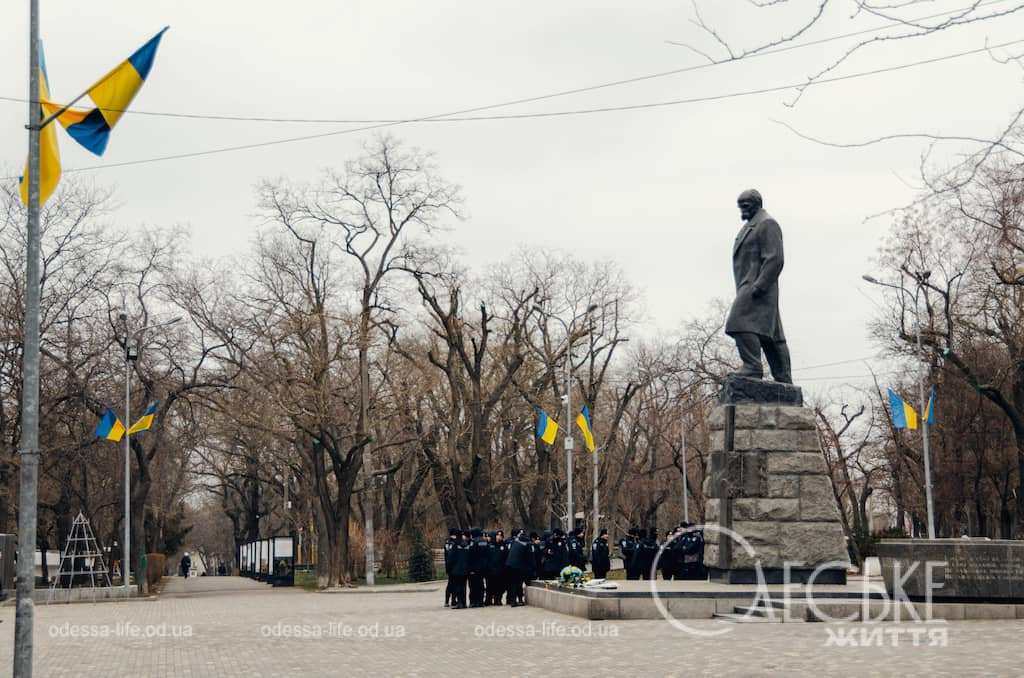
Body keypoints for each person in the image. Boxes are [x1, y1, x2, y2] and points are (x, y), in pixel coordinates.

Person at [725, 188, 792, 383]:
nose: (742, 210)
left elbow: (775, 258)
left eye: (745, 205)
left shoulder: (767, 224)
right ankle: (783, 378)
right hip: (750, 286)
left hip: (758, 287)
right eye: (740, 206)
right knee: (771, 335)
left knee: (738, 323)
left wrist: (759, 286)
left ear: (757, 203)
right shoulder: (750, 226)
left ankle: (752, 367)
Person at [505, 529, 531, 607]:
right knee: (518, 583)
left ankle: (513, 600)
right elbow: (529, 558)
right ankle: (518, 600)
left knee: (513, 583)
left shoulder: (515, 542)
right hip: (517, 566)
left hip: (509, 565)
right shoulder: (527, 544)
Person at [449, 531, 471, 609]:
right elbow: (469, 556)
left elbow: (450, 558)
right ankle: (464, 603)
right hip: (465, 569)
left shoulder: (455, 545)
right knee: (464, 586)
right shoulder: (466, 544)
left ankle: (459, 603)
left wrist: (450, 568)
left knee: (457, 586)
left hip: (456, 569)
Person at [468, 528, 488, 607]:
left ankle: (474, 602)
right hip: (483, 567)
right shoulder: (485, 542)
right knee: (481, 584)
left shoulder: (473, 542)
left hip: (475, 567)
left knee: (474, 585)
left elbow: (471, 556)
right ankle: (481, 601)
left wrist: (471, 568)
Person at [443, 527, 459, 607]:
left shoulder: (447, 542)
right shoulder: (455, 543)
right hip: (455, 566)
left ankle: (446, 601)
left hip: (448, 565)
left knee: (450, 583)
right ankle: (453, 600)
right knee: (455, 583)